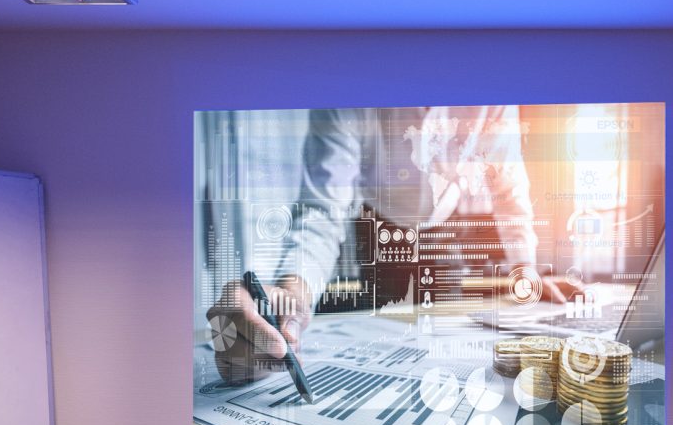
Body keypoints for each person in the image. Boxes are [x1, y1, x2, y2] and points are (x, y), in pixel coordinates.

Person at [208, 105, 572, 383]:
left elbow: (508, 189)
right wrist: (292, 294)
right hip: (380, 229)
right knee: (388, 332)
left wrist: (528, 273)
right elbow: (322, 210)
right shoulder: (346, 85)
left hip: (445, 229)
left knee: (445, 342)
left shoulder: (492, 97)